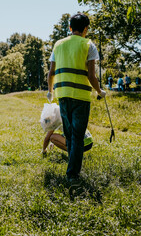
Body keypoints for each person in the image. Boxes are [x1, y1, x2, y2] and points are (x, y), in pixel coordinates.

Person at [46, 13, 106, 184]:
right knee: (78, 136)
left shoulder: (58, 44)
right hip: (81, 96)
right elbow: (91, 75)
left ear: (70, 28)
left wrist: (50, 91)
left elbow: (51, 72)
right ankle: (72, 175)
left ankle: (72, 169)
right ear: (86, 28)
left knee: (70, 134)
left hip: (62, 95)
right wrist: (100, 91)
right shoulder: (89, 45)